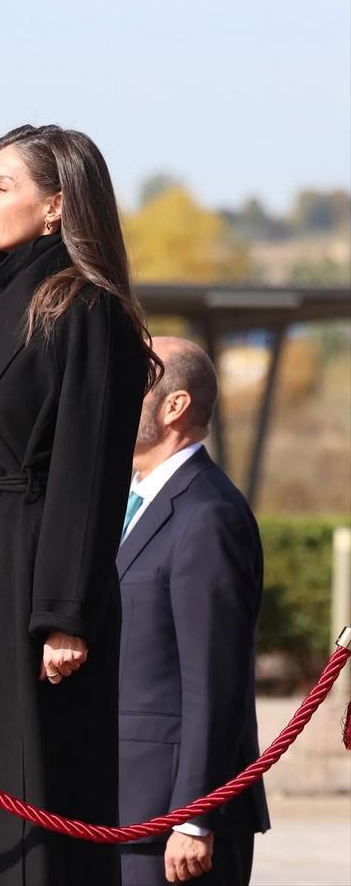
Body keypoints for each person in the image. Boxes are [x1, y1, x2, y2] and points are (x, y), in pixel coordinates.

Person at [0, 124, 160, 885]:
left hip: (42, 577)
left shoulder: (88, 309)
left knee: (41, 785)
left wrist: (66, 615)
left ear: (56, 205)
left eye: (2, 187)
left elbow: (88, 473)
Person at [117, 337, 270, 886]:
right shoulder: (129, 502)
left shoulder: (207, 513)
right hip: (123, 808)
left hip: (172, 822)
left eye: (131, 381)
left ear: (174, 406)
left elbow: (215, 681)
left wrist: (194, 816)